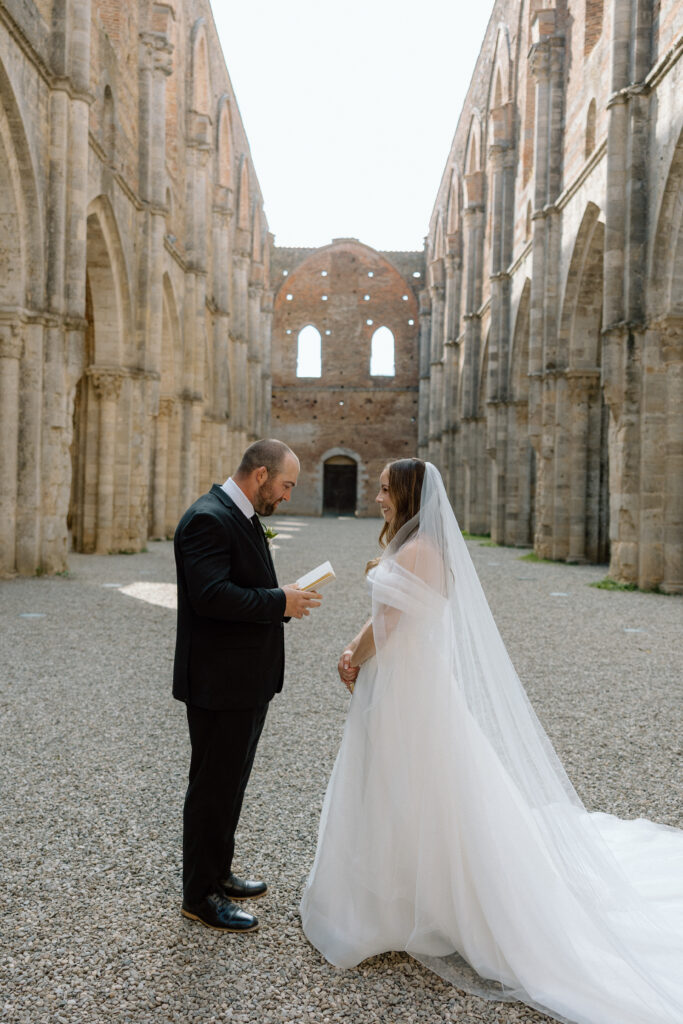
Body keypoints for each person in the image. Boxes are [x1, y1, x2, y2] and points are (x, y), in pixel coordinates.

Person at [300, 459, 683, 1024]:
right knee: (413, 784)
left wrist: (350, 658)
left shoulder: (417, 552)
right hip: (415, 682)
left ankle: (420, 904)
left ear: (406, 494)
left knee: (409, 783)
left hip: (407, 689)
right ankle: (409, 893)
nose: (377, 496)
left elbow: (389, 624)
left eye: (384, 489)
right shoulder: (424, 549)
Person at [174, 438, 322, 932]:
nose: (285, 496)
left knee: (230, 784)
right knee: (212, 788)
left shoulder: (240, 515)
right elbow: (211, 595)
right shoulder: (207, 518)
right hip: (219, 682)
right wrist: (279, 601)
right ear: (260, 475)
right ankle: (199, 896)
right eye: (285, 485)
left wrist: (279, 598)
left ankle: (218, 872)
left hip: (245, 680)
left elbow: (238, 583)